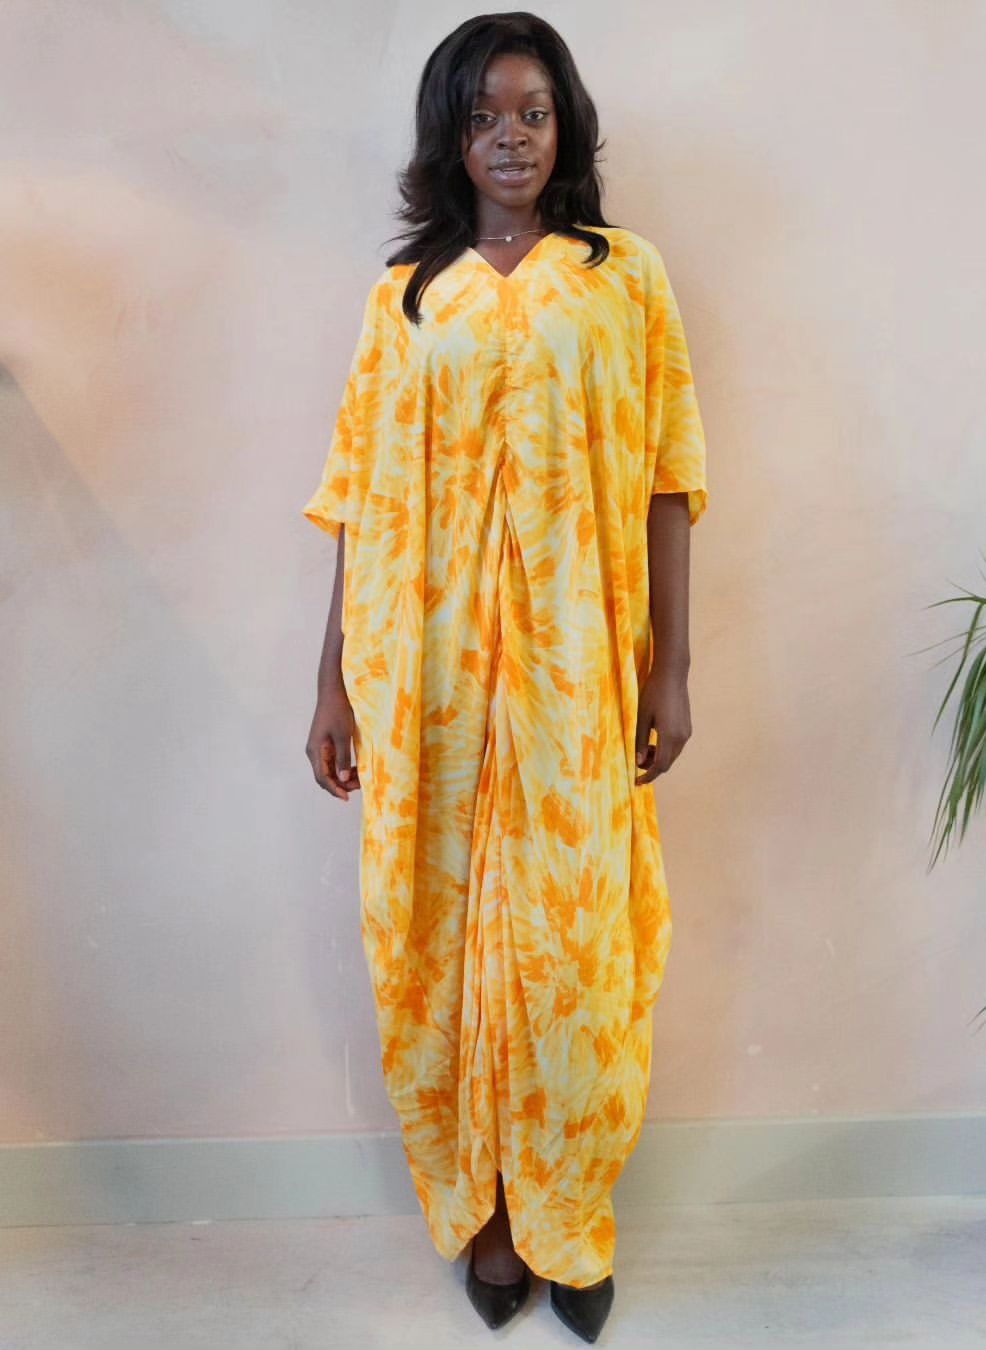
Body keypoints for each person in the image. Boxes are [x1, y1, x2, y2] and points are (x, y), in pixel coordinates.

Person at [303, 12, 708, 1342]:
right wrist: (334, 685)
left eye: (533, 112)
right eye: (486, 115)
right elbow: (356, 501)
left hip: (575, 676)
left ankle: (568, 1216)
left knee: (575, 953)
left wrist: (672, 669)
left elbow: (664, 480)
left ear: (565, 123)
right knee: (434, 940)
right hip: (418, 684)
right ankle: (481, 1216)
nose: (512, 136)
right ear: (451, 134)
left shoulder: (622, 277)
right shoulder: (405, 296)